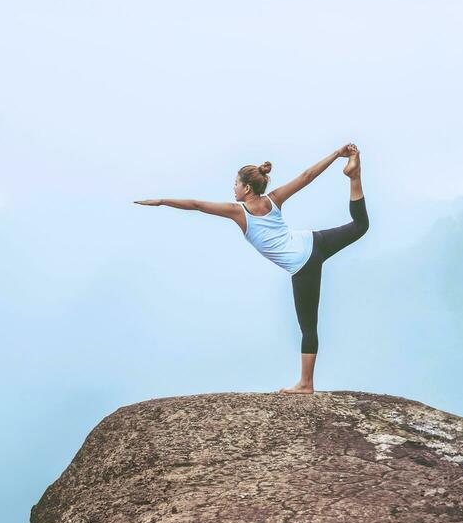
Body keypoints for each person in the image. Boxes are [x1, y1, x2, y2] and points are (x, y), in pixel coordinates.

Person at [135, 143, 367, 393]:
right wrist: (336, 154)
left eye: (235, 183)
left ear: (246, 188)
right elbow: (306, 177)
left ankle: (306, 384)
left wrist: (161, 201)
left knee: (308, 328)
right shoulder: (274, 199)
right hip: (314, 241)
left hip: (303, 265)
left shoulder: (238, 213)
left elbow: (196, 204)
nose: (233, 188)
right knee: (360, 226)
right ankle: (354, 174)